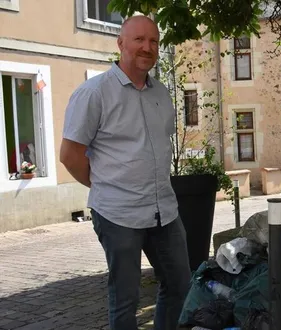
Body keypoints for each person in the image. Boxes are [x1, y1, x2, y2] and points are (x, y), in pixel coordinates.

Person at [60, 15, 190, 330]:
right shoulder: (94, 93)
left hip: (165, 212)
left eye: (154, 41)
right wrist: (106, 185)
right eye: (139, 40)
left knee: (180, 287)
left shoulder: (161, 94)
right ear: (121, 43)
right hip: (118, 215)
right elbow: (70, 155)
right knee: (125, 301)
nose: (147, 47)